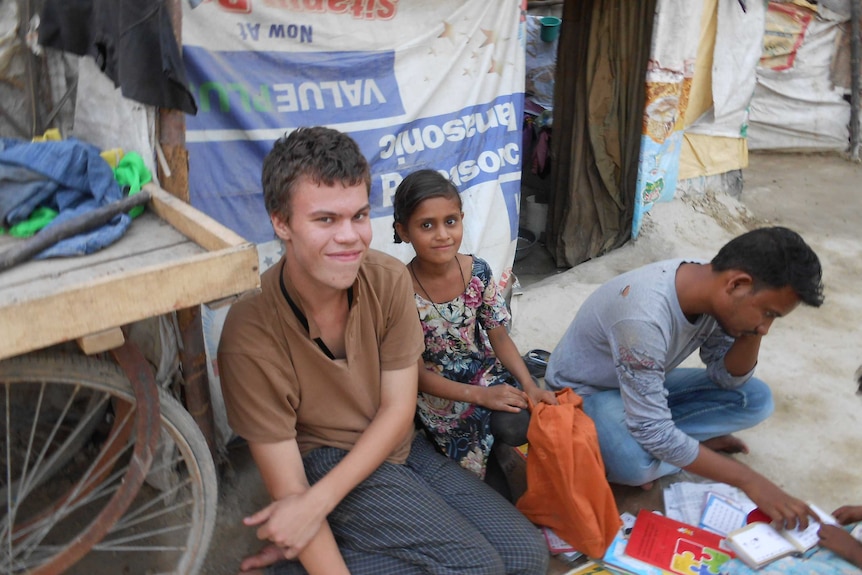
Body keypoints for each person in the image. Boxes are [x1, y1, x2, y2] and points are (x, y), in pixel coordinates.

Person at [218, 127, 548, 575]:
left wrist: (316, 508)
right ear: (281, 222)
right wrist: (311, 505)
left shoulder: (387, 278)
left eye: (357, 216)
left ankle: (305, 558)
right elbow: (291, 489)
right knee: (477, 566)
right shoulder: (250, 331)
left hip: (399, 444)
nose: (350, 237)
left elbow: (397, 407)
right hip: (325, 458)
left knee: (526, 554)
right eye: (325, 220)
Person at [545, 226, 824, 529]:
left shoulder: (711, 286)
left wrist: (751, 329)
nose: (767, 327)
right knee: (634, 465)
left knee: (755, 399)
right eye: (768, 313)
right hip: (583, 397)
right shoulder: (643, 317)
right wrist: (748, 480)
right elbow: (652, 428)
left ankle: (678, 449)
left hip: (639, 388)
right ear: (737, 284)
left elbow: (727, 378)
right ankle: (683, 448)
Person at [392, 169, 556, 497]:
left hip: (483, 373)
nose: (442, 234)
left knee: (519, 422)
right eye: (427, 225)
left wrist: (529, 384)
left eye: (450, 221)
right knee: (495, 495)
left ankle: (497, 448)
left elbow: (497, 334)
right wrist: (481, 397)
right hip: (437, 395)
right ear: (403, 231)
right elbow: (416, 377)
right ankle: (488, 460)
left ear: (462, 220)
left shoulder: (477, 270)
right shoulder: (399, 291)